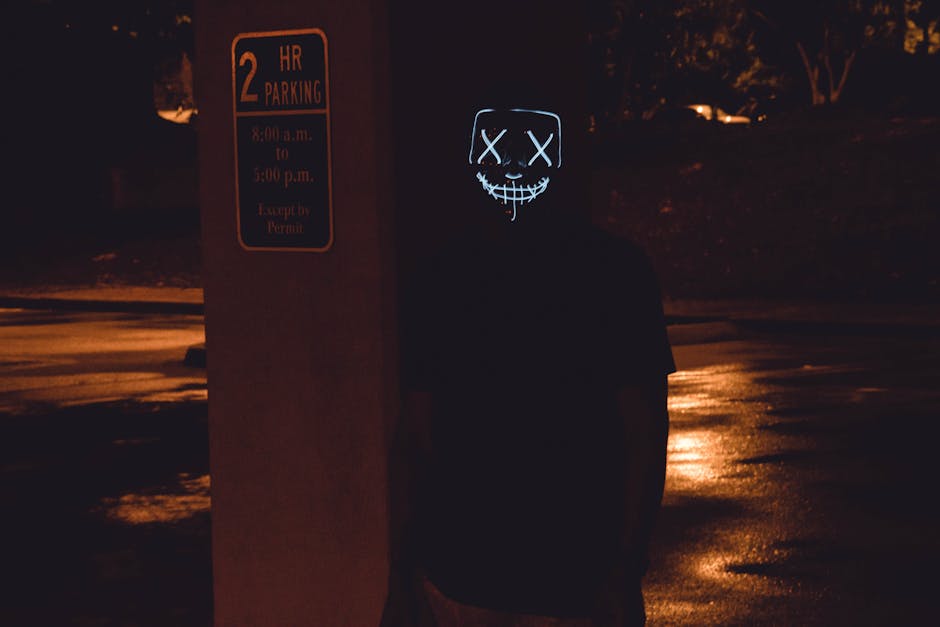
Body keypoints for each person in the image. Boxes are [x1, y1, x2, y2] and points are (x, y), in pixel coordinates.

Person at [382, 103, 674, 627]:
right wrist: (626, 564)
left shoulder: (440, 274)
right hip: (571, 578)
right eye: (501, 154)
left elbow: (415, 436)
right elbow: (645, 432)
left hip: (462, 575)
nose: (514, 169)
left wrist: (401, 575)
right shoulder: (618, 272)